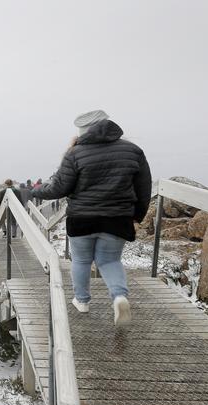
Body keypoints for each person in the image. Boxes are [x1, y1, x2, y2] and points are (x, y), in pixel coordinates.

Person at [31, 110, 152, 326]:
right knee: (110, 260)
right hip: (117, 218)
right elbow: (143, 188)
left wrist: (36, 190)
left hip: (82, 218)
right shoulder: (133, 151)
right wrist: (138, 215)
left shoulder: (75, 153)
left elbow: (59, 187)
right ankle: (119, 297)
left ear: (83, 131)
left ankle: (82, 301)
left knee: (81, 260)